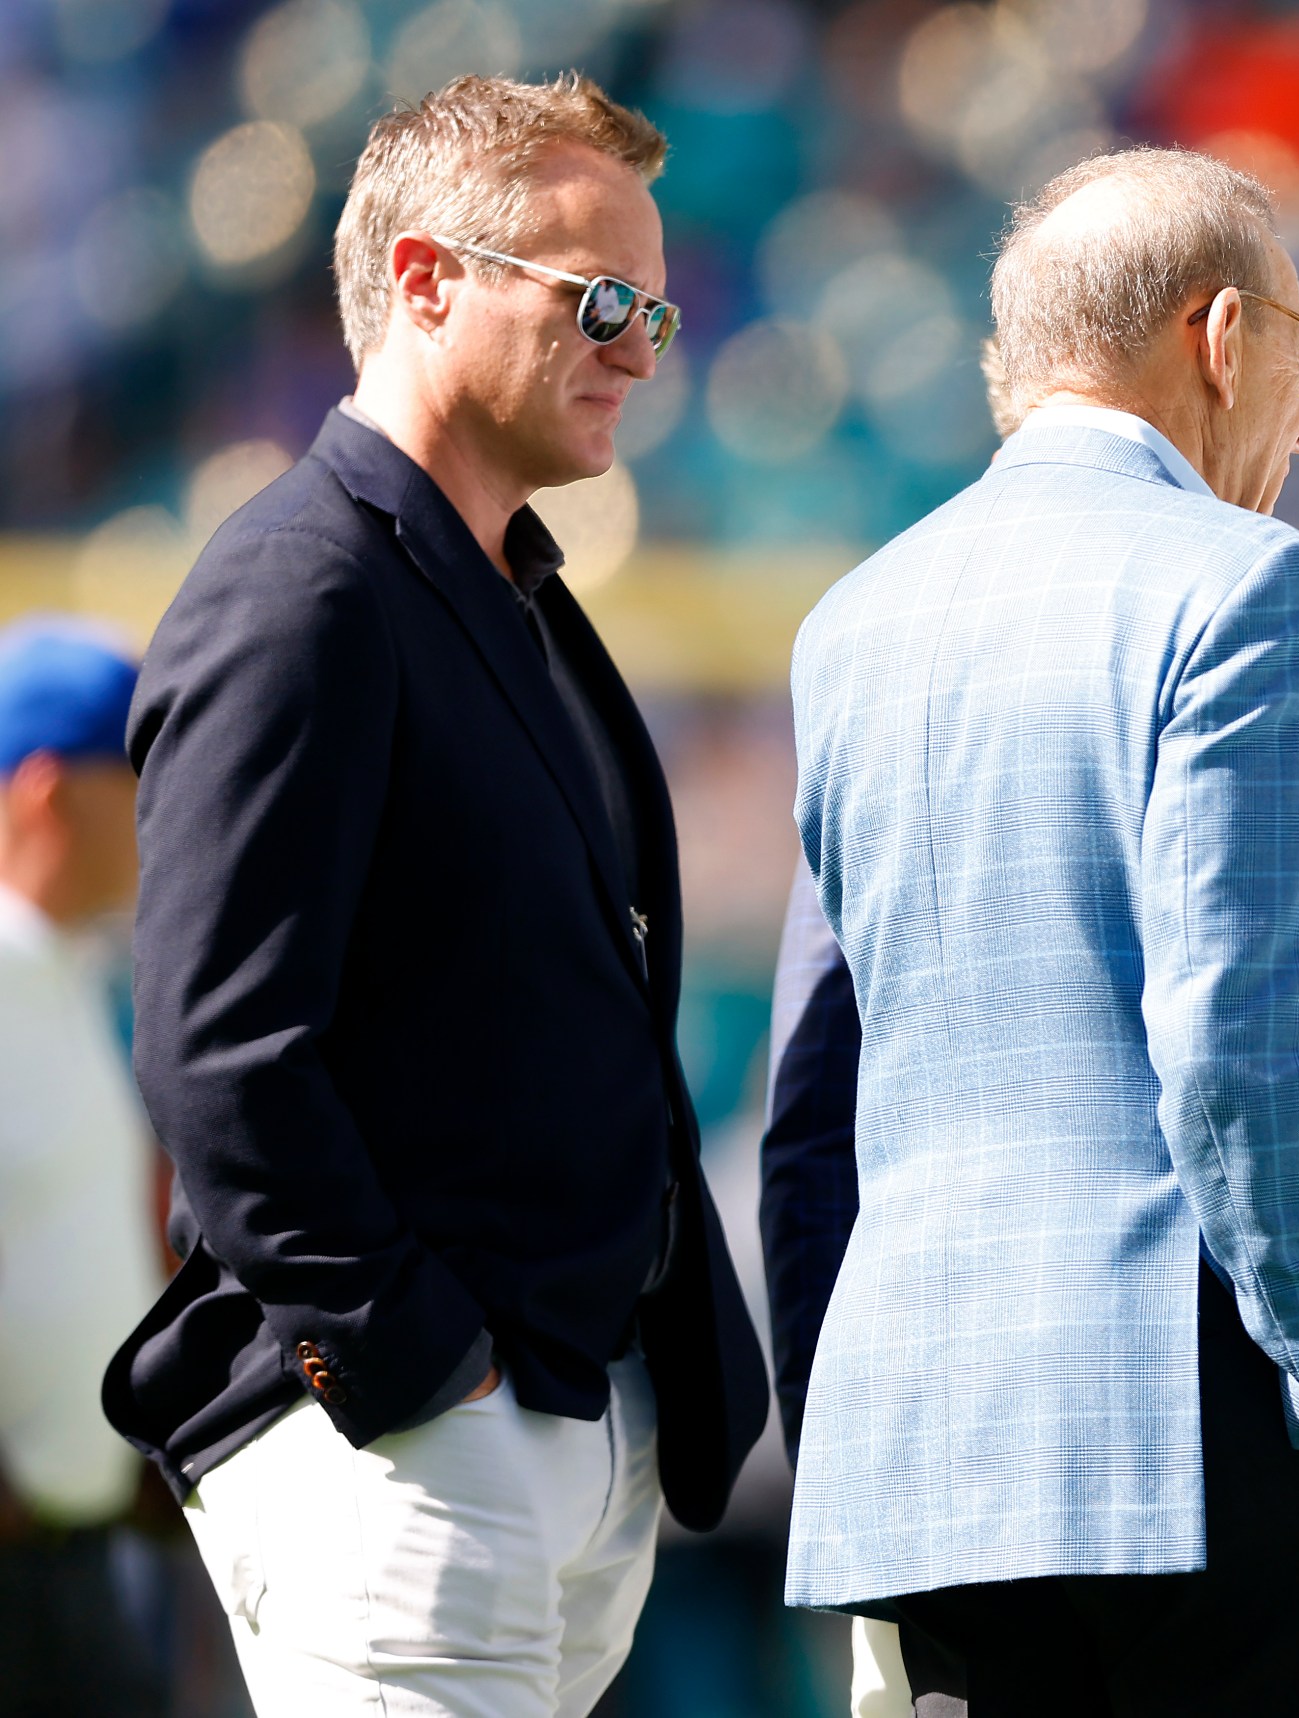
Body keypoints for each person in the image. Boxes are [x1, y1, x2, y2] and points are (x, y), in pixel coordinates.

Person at [782, 146, 1299, 1717]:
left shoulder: (853, 618)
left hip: (924, 1462)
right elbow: (1241, 1057)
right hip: (1197, 1432)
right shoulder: (1254, 582)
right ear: (1222, 335)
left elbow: (960, 994)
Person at [101, 74, 767, 1718]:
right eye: (599, 298)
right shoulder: (300, 585)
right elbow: (222, 1053)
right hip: (412, 1440)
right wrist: (415, 1360)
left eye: (658, 311)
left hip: (557, 1417)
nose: (639, 349)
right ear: (423, 281)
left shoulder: (511, 590)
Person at [0, 621, 166, 1718]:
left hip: (82, 1548)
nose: (164, 814)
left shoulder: (72, 976)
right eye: (137, 780)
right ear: (50, 791)